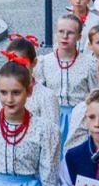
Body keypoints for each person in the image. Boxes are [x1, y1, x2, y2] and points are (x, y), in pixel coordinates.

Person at [34, 13, 87, 146]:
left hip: (79, 117)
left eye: (70, 33)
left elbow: (95, 93)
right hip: (51, 115)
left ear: (79, 36)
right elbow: (39, 93)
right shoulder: (44, 62)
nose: (64, 36)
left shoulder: (89, 63)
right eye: (61, 32)